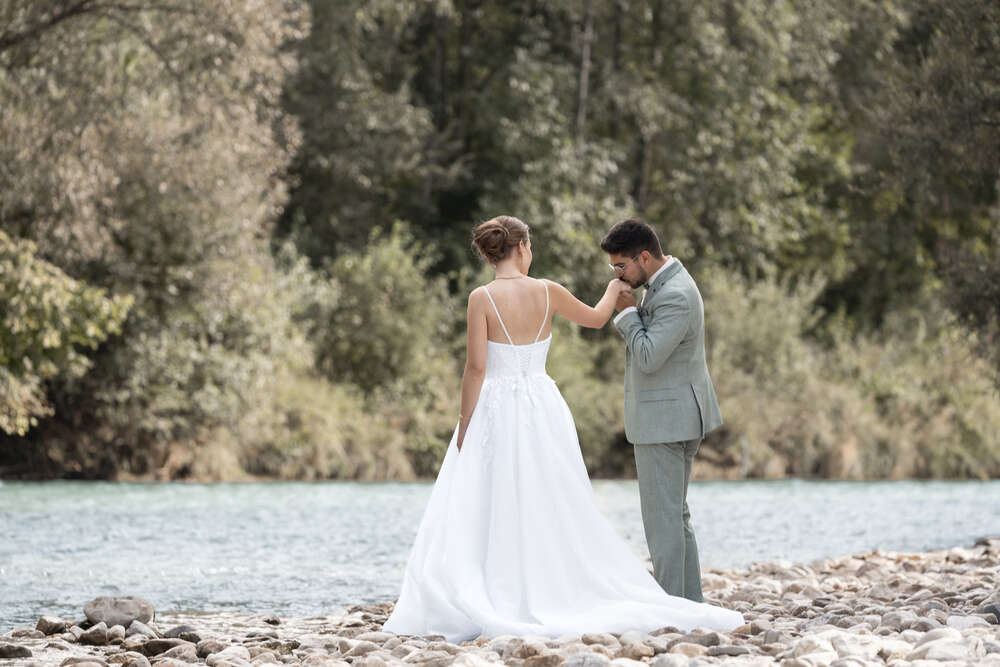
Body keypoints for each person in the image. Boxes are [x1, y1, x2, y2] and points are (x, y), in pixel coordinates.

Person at [382, 215, 742, 642]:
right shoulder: (547, 290)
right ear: (522, 248)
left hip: (497, 406)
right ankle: (560, 581)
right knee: (550, 497)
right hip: (541, 406)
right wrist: (612, 291)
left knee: (489, 497)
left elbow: (476, 368)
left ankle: (497, 582)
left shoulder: (481, 298)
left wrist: (465, 423)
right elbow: (595, 318)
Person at [601, 217, 722, 602]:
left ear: (645, 257)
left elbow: (649, 356)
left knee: (662, 521)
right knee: (675, 516)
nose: (617, 274)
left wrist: (625, 314)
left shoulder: (675, 294)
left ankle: (672, 608)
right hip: (676, 416)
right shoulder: (667, 283)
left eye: (621, 266)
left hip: (666, 422)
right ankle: (689, 604)